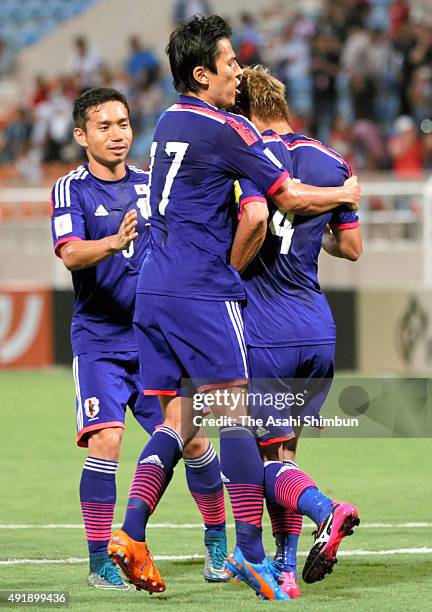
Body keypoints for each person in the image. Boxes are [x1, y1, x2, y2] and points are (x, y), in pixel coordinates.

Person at [108, 15, 361, 601]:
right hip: (203, 290)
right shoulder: (232, 131)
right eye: (229, 63)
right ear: (203, 74)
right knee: (239, 418)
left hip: (154, 288)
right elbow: (284, 200)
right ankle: (254, 556)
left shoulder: (168, 119)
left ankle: (131, 533)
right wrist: (345, 194)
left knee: (181, 421)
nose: (238, 71)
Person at [50, 87, 228, 590]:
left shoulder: (154, 186)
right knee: (106, 441)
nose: (117, 134)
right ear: (82, 135)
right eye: (104, 126)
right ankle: (100, 560)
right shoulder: (71, 189)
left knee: (192, 440)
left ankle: (217, 545)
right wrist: (113, 242)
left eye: (124, 124)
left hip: (155, 338)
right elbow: (69, 254)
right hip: (100, 341)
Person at [233, 65, 362, 597]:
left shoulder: (242, 158)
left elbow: (254, 220)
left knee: (266, 459)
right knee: (286, 454)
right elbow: (350, 249)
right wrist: (324, 225)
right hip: (316, 326)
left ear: (245, 110)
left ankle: (328, 511)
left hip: (266, 327)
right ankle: (287, 568)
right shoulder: (334, 164)